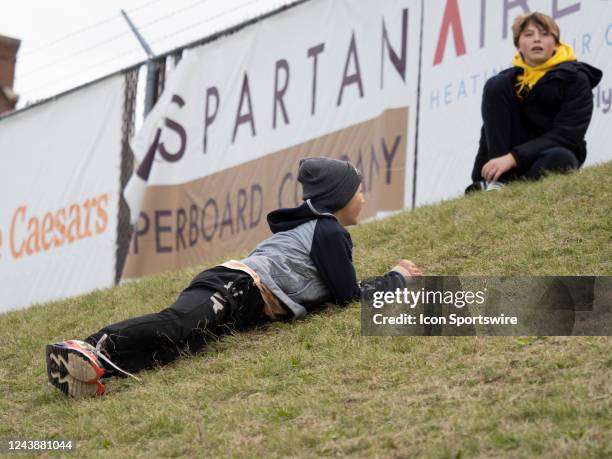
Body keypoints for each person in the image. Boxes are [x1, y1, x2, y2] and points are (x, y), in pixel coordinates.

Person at [45, 157, 422, 397]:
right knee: (176, 324)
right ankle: (88, 345)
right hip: (232, 285)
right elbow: (348, 298)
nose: (365, 198)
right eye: (359, 191)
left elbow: (328, 295)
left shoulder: (322, 230)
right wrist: (396, 277)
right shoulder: (329, 231)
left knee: (181, 349)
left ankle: (95, 370)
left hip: (243, 308)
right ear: (339, 196)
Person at [466, 11, 602, 193]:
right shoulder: (506, 81)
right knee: (495, 84)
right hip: (506, 164)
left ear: (555, 44)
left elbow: (567, 136)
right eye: (529, 35)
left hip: (548, 154)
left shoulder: (576, 78)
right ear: (518, 45)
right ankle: (497, 183)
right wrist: (485, 170)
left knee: (561, 158)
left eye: (545, 34)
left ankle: (511, 191)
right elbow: (491, 131)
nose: (537, 40)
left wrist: (513, 158)